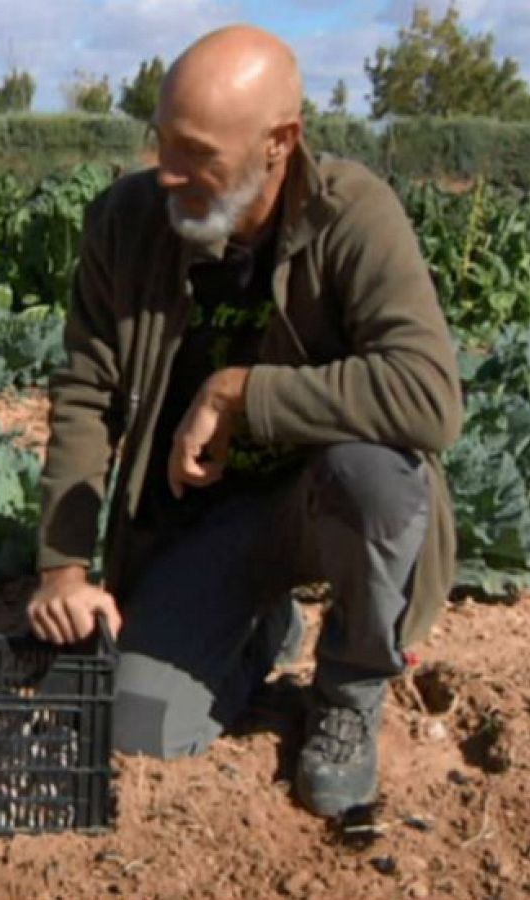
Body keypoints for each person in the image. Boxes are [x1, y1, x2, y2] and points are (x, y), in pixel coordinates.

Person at [27, 26, 462, 818]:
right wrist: (62, 566)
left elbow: (429, 396)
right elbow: (87, 391)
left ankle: (351, 684)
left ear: (280, 143)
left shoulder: (351, 216)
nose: (169, 172)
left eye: (196, 154)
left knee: (374, 474)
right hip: (204, 525)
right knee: (141, 724)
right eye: (163, 144)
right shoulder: (128, 222)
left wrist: (240, 394)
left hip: (324, 504)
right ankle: (264, 627)